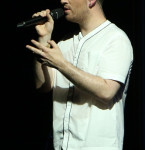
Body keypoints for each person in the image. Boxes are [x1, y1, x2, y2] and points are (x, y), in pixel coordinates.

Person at [26, 0, 133, 150]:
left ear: (91, 1)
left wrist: (61, 64)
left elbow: (107, 91)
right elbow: (42, 85)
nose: (63, 0)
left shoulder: (116, 39)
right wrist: (44, 38)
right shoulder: (64, 43)